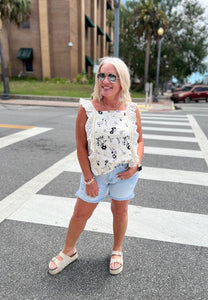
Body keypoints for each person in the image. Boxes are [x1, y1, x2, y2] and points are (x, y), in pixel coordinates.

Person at [49, 56, 144, 276]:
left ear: (122, 80)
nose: (106, 80)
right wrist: (89, 179)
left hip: (126, 173)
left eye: (112, 76)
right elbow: (81, 147)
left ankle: (117, 250)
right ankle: (68, 251)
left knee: (120, 212)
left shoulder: (131, 109)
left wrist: (135, 165)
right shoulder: (87, 109)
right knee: (80, 214)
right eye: (102, 75)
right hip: (96, 174)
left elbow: (139, 140)